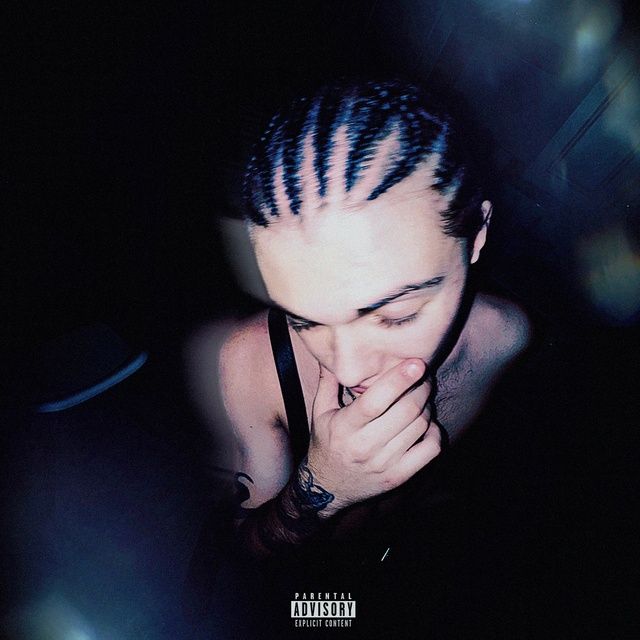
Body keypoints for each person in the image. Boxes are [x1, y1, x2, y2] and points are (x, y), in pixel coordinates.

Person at [197, 79, 530, 568]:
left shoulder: (509, 338)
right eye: (304, 321)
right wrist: (324, 486)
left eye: (396, 315)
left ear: (477, 235)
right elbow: (242, 559)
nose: (348, 371)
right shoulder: (249, 367)